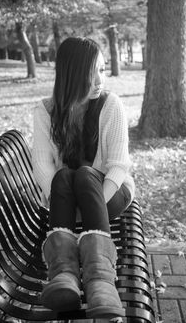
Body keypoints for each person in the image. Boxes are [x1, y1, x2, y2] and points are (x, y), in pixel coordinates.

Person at [32, 37, 135, 319]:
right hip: (65, 199)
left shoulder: (110, 105)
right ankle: (63, 275)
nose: (101, 79)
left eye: (103, 70)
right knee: (65, 174)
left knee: (87, 174)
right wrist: (63, 200)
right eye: (95, 71)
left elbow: (118, 165)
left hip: (110, 193)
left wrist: (89, 204)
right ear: (74, 74)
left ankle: (101, 282)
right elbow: (42, 165)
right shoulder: (45, 111)